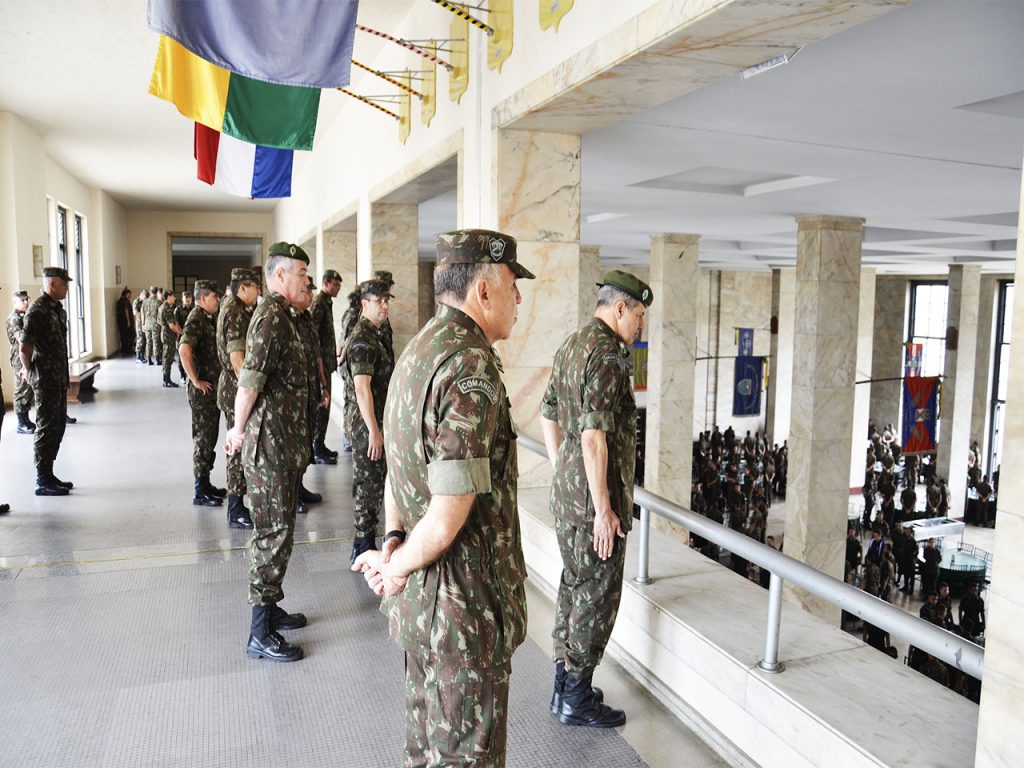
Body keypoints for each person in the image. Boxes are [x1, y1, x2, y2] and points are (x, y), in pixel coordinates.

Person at [352, 228, 533, 766]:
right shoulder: (469, 366)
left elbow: (399, 470)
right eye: (511, 285)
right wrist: (398, 565)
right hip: (463, 613)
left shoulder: (417, 351)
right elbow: (449, 511)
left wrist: (391, 544)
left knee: (426, 749)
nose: (518, 297)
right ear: (482, 290)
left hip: (425, 611)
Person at [540, 268, 653, 728]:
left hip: (570, 495)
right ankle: (577, 698)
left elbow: (548, 413)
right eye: (640, 315)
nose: (641, 326)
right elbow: (593, 438)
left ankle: (564, 686)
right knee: (597, 596)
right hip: (592, 504)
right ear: (620, 307)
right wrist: (604, 508)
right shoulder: (607, 355)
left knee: (573, 586)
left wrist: (560, 470)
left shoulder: (573, 343)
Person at [225, 242, 312, 663]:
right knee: (271, 536)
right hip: (269, 450)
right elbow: (249, 382)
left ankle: (271, 608)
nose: (307, 281)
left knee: (281, 533)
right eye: (301, 274)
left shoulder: (285, 317)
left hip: (283, 445)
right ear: (279, 276)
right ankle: (259, 633)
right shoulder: (271, 319)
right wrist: (237, 431)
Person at [344, 278, 396, 563]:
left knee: (374, 480)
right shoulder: (363, 338)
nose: (385, 305)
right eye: (379, 301)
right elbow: (362, 388)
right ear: (365, 304)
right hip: (368, 425)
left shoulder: (375, 333)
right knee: (369, 483)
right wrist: (374, 432)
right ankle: (362, 545)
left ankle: (366, 540)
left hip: (376, 421)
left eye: (387, 300)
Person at [19, 267, 74, 496]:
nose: (67, 288)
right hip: (45, 380)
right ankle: (42, 479)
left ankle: (49, 473)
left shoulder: (58, 310)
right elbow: (25, 347)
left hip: (58, 377)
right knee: (45, 426)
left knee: (57, 425)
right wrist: (30, 373)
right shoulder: (37, 310)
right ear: (52, 284)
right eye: (64, 284)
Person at [216, 268, 260, 529]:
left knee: (239, 445)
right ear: (243, 288)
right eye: (254, 287)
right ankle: (235, 507)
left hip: (235, 389)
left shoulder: (235, 307)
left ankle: (240, 502)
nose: (258, 292)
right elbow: (237, 359)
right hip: (235, 390)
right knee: (237, 447)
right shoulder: (234, 312)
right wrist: (249, 390)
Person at [180, 280, 225, 507]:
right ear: (203, 298)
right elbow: (184, 349)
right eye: (214, 296)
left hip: (212, 390)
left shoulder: (207, 318)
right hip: (203, 393)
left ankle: (206, 484)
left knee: (210, 437)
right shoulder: (196, 319)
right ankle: (200, 490)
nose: (218, 300)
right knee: (204, 439)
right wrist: (195, 380)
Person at [310, 268, 343, 462]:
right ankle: (317, 447)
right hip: (319, 365)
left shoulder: (326, 302)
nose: (338, 288)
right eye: (336, 284)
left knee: (325, 408)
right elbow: (313, 335)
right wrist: (319, 362)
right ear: (326, 283)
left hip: (327, 363)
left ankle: (319, 444)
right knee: (322, 406)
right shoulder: (319, 303)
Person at [6, 289, 36, 434]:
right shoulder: (14, 319)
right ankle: (21, 422)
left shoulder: (25, 316)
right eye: (22, 300)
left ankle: (26, 418)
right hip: (19, 357)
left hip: (28, 354)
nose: (25, 302)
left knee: (28, 389)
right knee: (22, 389)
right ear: (14, 302)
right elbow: (22, 339)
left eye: (26, 299)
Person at [158, 289, 182, 387]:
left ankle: (166, 379)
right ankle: (166, 380)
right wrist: (180, 333)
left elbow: (159, 321)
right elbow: (172, 326)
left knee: (167, 357)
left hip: (166, 334)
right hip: (168, 336)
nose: (175, 298)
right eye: (173, 296)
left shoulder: (162, 307)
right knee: (168, 358)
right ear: (168, 297)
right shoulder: (167, 308)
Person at [141, 286, 160, 365]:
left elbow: (142, 313)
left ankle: (149, 359)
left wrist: (143, 323)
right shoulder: (158, 302)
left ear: (150, 291)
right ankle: (157, 359)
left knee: (148, 342)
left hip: (147, 324)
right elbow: (159, 314)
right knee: (156, 342)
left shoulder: (145, 301)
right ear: (156, 292)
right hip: (155, 324)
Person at [115, 286, 134, 356]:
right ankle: (127, 349)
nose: (130, 295)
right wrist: (128, 321)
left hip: (121, 321)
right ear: (126, 294)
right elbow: (126, 311)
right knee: (130, 334)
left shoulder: (120, 300)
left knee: (123, 335)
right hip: (125, 321)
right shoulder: (125, 301)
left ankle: (124, 349)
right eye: (129, 294)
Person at [133, 288, 148, 363]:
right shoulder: (136, 301)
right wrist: (142, 316)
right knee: (140, 338)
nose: (145, 297)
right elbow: (135, 313)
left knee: (144, 339)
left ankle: (142, 356)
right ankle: (138, 357)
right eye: (145, 295)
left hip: (145, 322)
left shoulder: (144, 302)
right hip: (139, 323)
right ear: (141, 294)